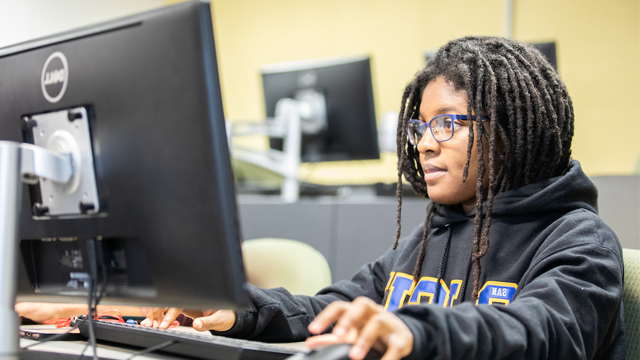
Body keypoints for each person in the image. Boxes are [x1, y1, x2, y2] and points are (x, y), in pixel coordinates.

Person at [143, 36, 626, 360]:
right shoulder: (434, 233)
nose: (424, 142)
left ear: (510, 132)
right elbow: (333, 310)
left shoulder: (578, 238)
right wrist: (238, 309)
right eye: (420, 126)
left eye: (447, 123)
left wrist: (419, 332)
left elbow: (544, 334)